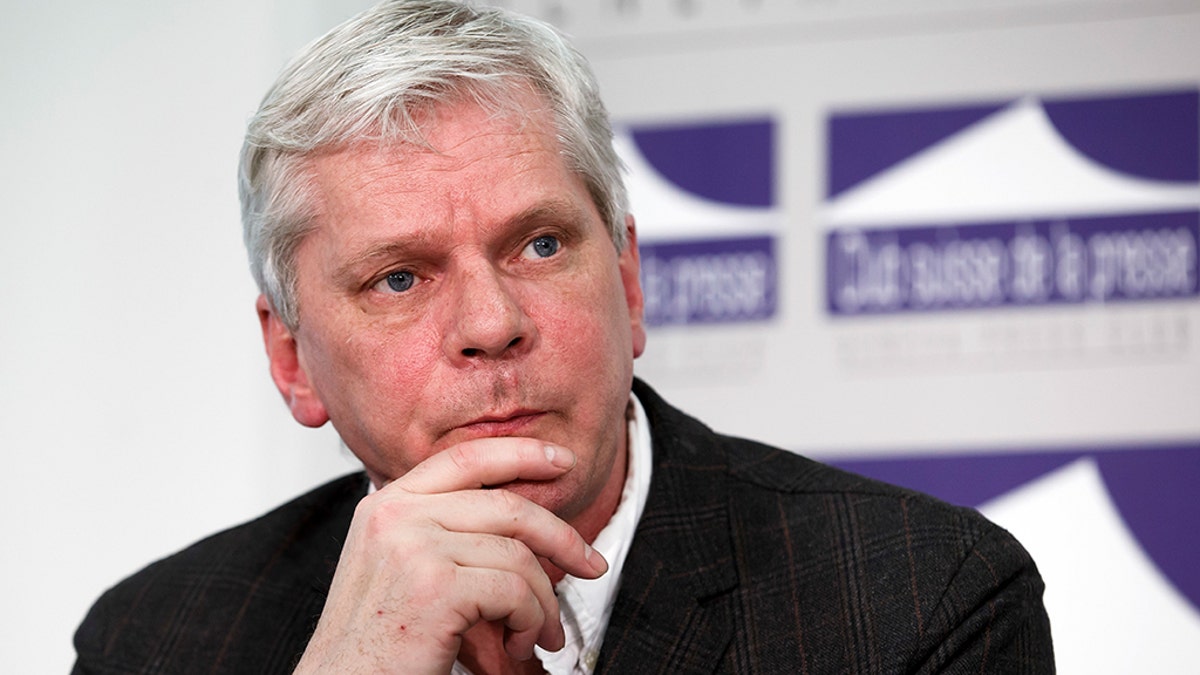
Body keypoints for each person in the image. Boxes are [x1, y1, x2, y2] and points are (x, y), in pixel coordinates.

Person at [72, 1, 1054, 673]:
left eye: (540, 245)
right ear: (291, 357)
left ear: (626, 275)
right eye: (400, 278)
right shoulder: (157, 639)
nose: (492, 324)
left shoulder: (922, 601)